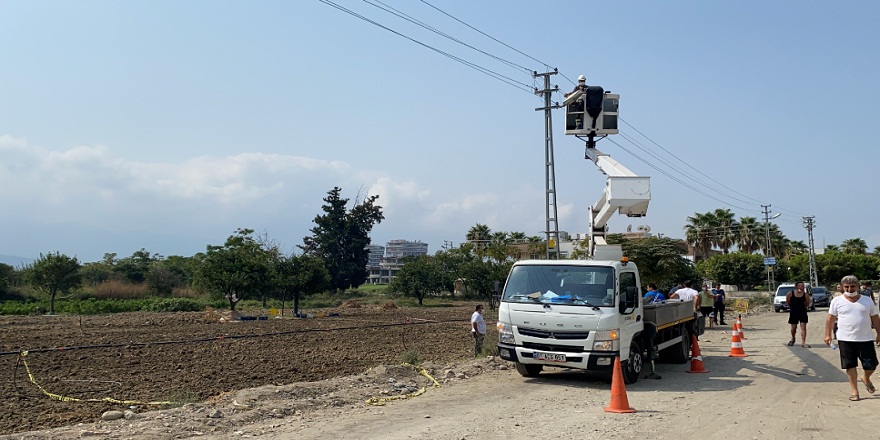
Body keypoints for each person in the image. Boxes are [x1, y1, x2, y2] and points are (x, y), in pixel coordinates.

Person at [824, 275, 880, 401]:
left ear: (858, 286)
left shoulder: (867, 300)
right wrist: (827, 334)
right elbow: (830, 318)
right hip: (845, 339)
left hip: (865, 338)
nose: (849, 289)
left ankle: (865, 378)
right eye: (847, 287)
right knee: (850, 365)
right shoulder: (837, 301)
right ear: (843, 287)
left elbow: (875, 318)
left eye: (852, 286)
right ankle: (855, 391)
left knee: (871, 365)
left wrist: (879, 333)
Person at [786, 281, 811, 347]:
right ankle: (793, 338)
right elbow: (788, 302)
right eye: (800, 286)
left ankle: (803, 342)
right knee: (793, 328)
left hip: (802, 312)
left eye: (803, 286)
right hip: (793, 312)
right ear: (796, 286)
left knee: (803, 327)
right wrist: (792, 307)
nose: (802, 287)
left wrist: (803, 308)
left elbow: (807, 303)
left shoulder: (805, 295)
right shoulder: (790, 293)